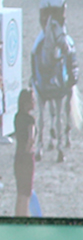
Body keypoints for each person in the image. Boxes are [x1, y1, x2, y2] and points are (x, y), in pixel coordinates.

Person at [12, 88, 35, 217]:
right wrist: (28, 150)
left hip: (18, 156)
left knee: (20, 191)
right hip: (26, 157)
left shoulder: (17, 117)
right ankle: (24, 217)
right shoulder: (30, 120)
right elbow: (31, 138)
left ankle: (17, 216)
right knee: (26, 191)